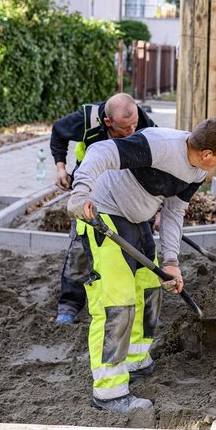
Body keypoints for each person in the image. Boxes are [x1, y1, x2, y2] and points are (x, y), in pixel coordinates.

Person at [66, 118, 216, 414]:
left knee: (149, 290)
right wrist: (80, 192)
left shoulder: (198, 170)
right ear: (208, 154)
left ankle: (134, 360)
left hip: (137, 219)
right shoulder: (158, 146)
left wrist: (171, 261)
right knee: (115, 305)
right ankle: (109, 391)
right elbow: (101, 151)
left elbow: (174, 212)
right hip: (104, 213)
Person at [49, 93, 156, 324]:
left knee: (141, 248)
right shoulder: (88, 119)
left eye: (134, 125)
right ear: (108, 122)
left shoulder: (144, 124)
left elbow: (157, 161)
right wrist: (60, 168)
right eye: (125, 128)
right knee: (80, 249)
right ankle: (69, 305)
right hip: (92, 190)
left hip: (129, 192)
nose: (132, 132)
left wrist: (159, 208)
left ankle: (145, 310)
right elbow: (58, 131)